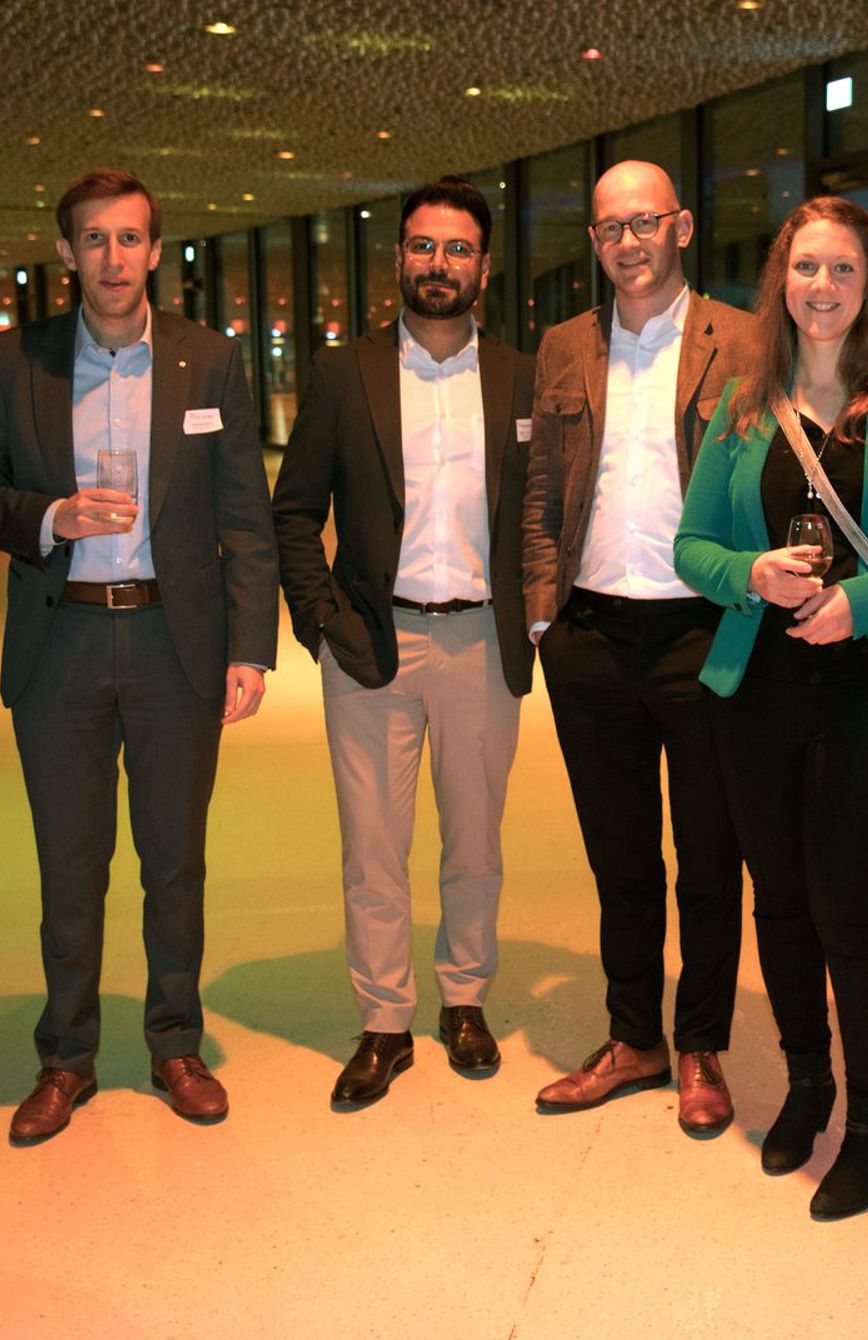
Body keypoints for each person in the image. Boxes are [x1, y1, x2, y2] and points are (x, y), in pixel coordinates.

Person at [674, 195, 868, 1218]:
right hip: (756, 690)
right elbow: (690, 547)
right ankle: (806, 1082)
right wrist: (749, 572)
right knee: (778, 899)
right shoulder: (741, 402)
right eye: (805, 268)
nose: (822, 287)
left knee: (846, 906)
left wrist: (864, 599)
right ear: (780, 281)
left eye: (842, 269)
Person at [0, 168, 278, 1142]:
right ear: (67, 252)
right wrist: (50, 515)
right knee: (70, 864)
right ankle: (66, 1057)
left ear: (154, 250)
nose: (113, 256)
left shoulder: (208, 360)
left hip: (176, 641)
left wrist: (250, 646)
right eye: (94, 238)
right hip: (63, 641)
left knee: (174, 861)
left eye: (130, 238)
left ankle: (175, 1043)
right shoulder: (12, 362)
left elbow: (243, 514)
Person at [273, 176, 535, 1107]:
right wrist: (322, 621)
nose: (439, 264)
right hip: (371, 645)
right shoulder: (344, 373)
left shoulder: (520, 377)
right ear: (398, 259)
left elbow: (542, 510)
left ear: (484, 268)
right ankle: (384, 1020)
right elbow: (293, 511)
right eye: (423, 246)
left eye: (458, 249)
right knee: (373, 849)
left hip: (482, 643)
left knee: (475, 844)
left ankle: (465, 999)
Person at [521, 161, 750, 1134]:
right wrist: (543, 616)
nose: (627, 242)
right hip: (590, 638)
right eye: (610, 227)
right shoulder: (564, 345)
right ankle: (632, 1037)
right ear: (595, 241)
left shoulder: (744, 340)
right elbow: (542, 486)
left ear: (681, 227)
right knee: (619, 858)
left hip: (704, 633)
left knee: (709, 856)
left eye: (643, 222)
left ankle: (698, 1043)